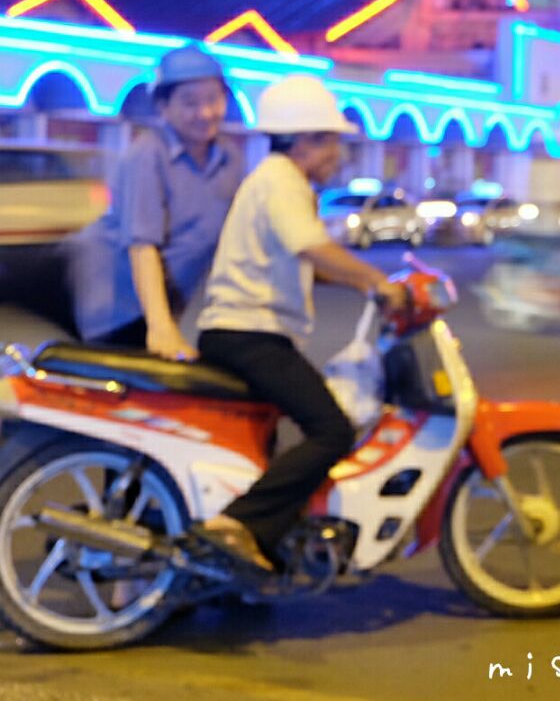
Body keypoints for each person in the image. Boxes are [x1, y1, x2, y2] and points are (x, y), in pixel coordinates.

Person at [190, 74, 406, 572]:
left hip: (245, 331)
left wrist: (362, 285)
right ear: (306, 140)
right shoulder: (282, 180)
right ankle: (239, 525)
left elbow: (302, 263)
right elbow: (312, 247)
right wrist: (378, 280)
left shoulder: (279, 180)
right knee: (331, 430)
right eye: (332, 141)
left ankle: (261, 549)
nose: (338, 154)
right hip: (250, 335)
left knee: (269, 440)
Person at [0, 43, 243, 356]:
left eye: (213, 99)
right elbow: (142, 246)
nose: (205, 113)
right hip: (94, 286)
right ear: (163, 107)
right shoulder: (147, 153)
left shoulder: (230, 159)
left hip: (151, 299)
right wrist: (161, 327)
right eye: (189, 102)